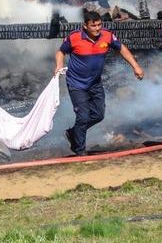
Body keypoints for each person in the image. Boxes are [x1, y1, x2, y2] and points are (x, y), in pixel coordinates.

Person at [55, 10, 144, 156]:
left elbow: (121, 48)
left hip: (95, 84)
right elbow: (60, 52)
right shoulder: (74, 37)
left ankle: (73, 132)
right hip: (77, 84)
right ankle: (80, 150)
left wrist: (136, 66)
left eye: (99, 25)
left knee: (98, 115)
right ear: (85, 26)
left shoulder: (107, 35)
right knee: (83, 117)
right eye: (94, 26)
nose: (97, 29)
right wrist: (59, 65)